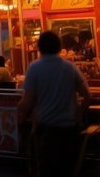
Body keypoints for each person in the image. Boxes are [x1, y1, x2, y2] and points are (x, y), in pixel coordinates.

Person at [18, 30, 91, 177]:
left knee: (46, 170)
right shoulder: (70, 67)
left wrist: (19, 123)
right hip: (69, 130)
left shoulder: (35, 68)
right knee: (67, 170)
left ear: (39, 47)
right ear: (59, 46)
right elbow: (87, 95)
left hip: (46, 130)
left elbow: (27, 102)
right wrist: (78, 113)